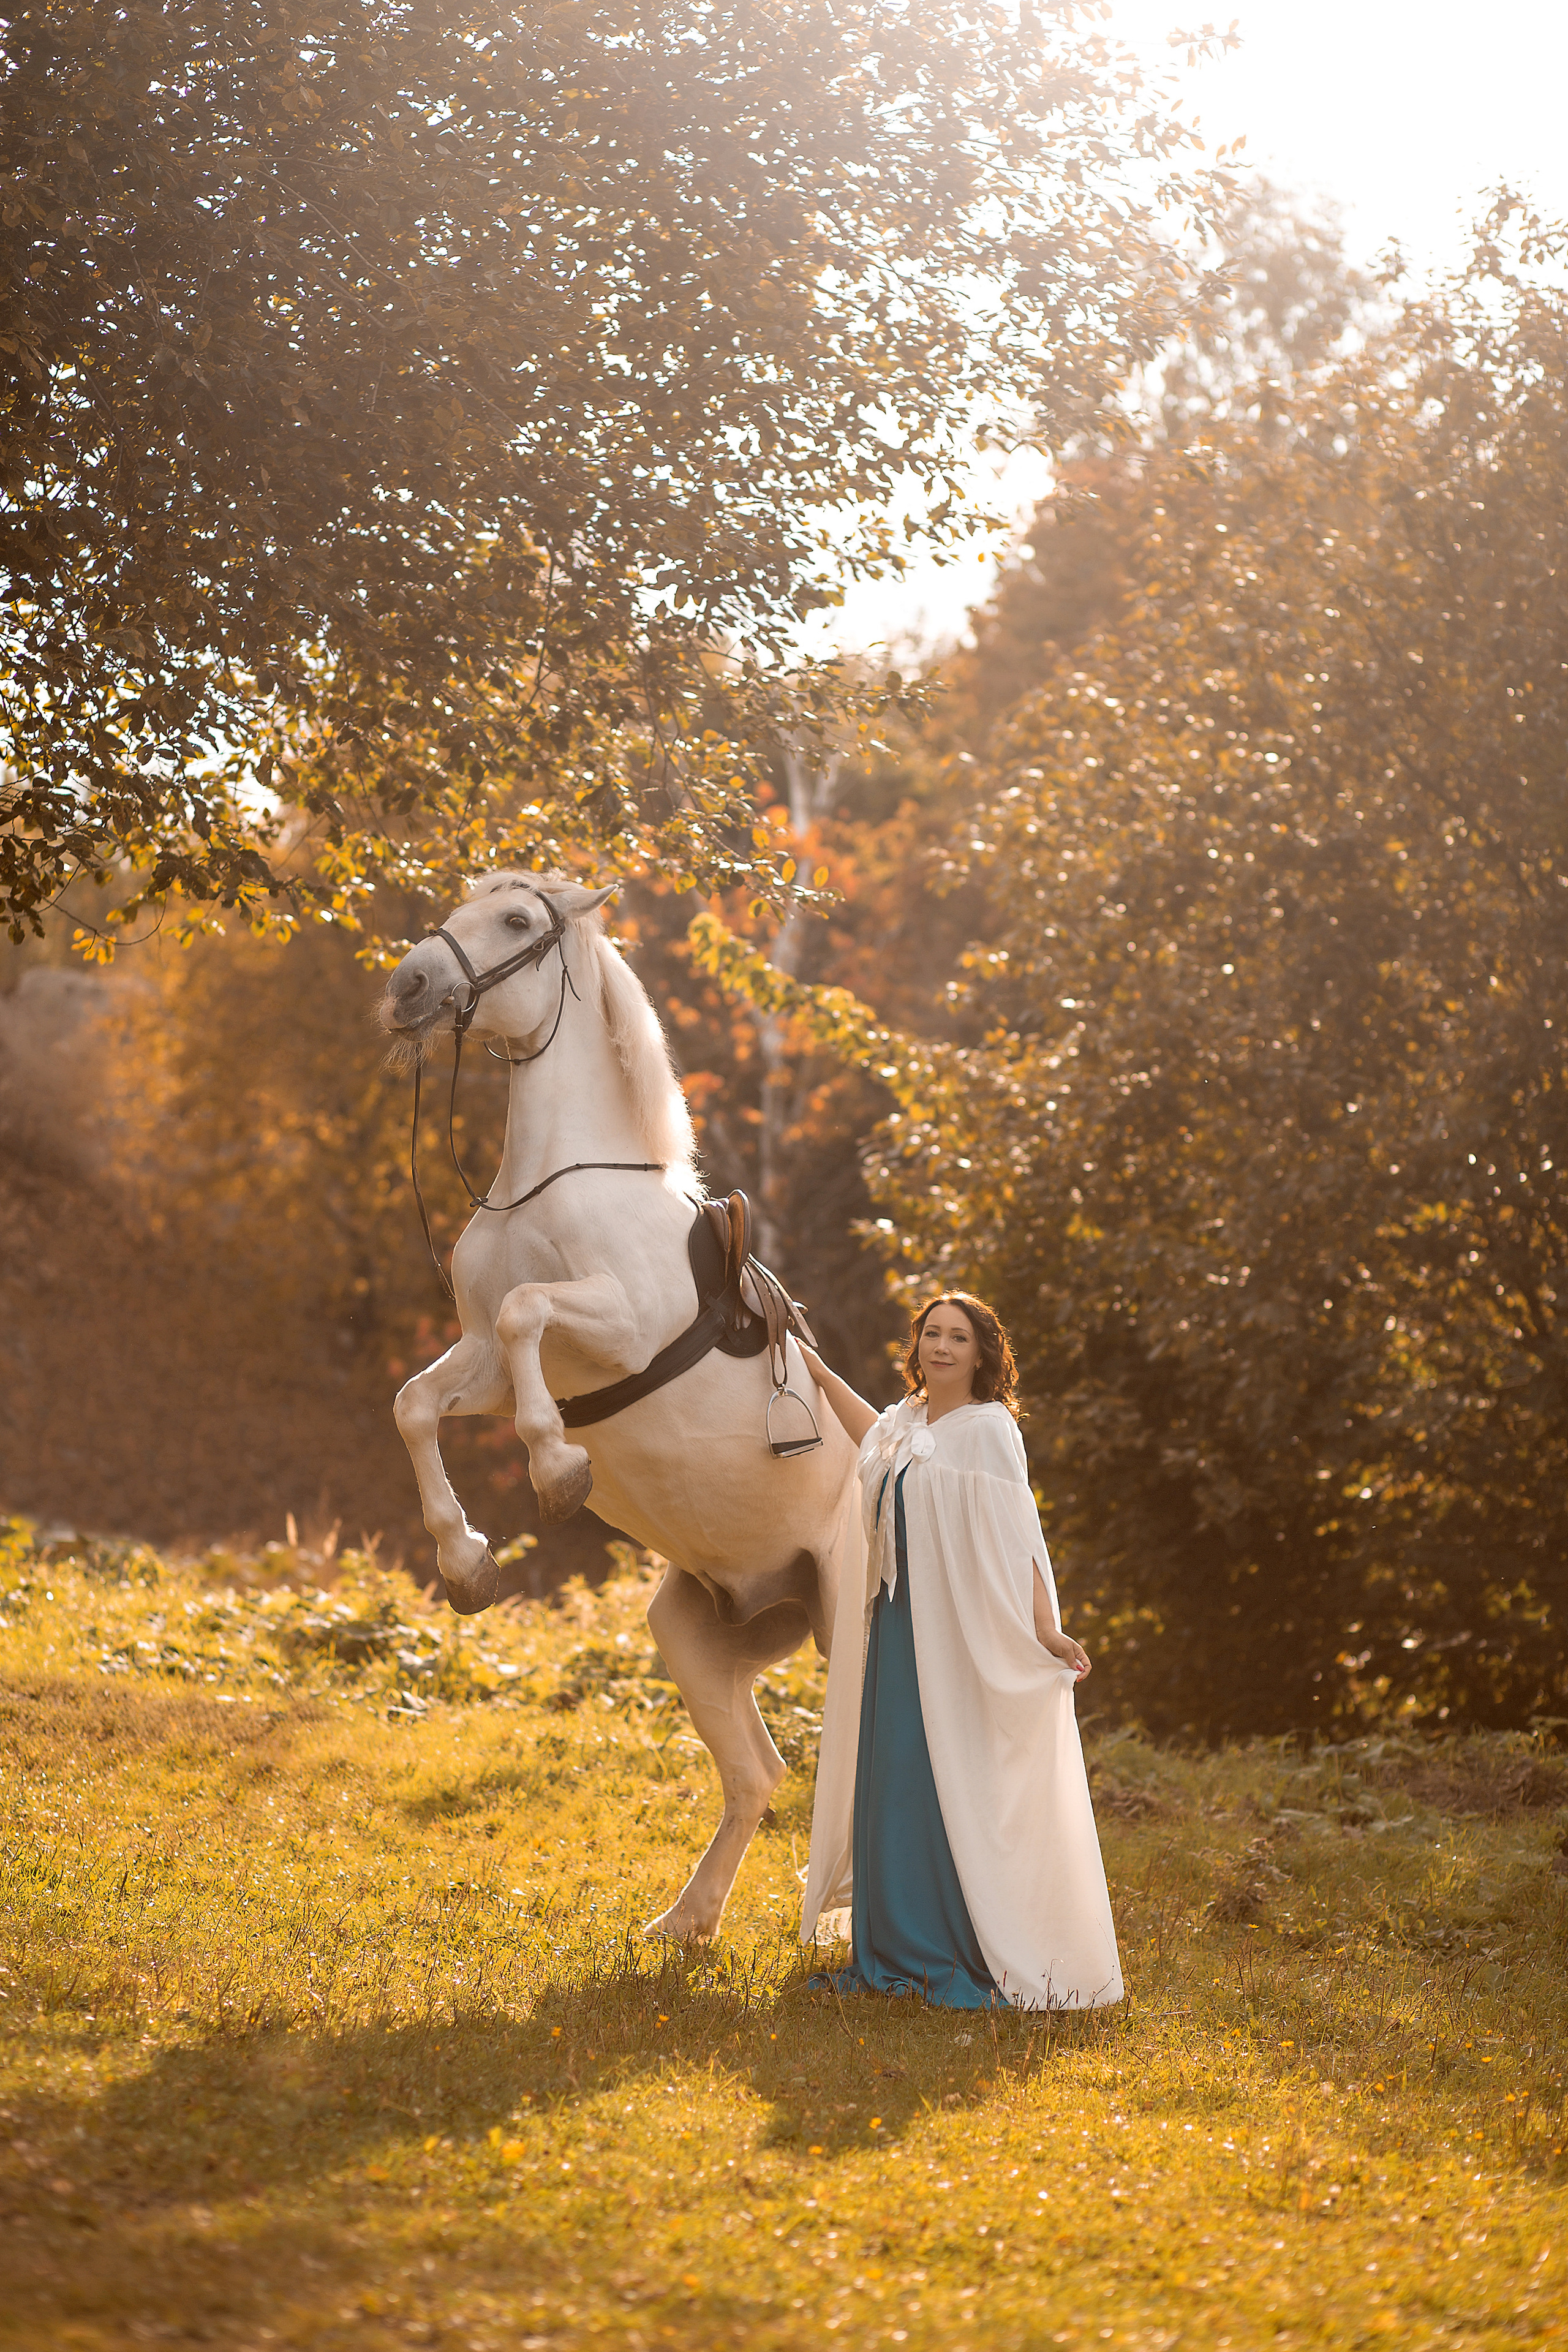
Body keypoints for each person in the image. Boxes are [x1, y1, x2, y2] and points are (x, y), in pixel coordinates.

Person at [797, 1294, 1123, 2010]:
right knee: (888, 1778)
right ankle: (885, 1946)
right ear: (915, 1347)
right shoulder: (906, 1420)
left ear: (982, 1353)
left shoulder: (989, 1429)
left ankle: (945, 1944)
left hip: (953, 1632)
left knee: (931, 1775)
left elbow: (1019, 1533)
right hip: (894, 1625)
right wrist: (815, 1372)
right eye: (932, 1334)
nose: (942, 1347)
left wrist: (1044, 1626)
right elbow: (869, 1438)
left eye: (958, 1337)